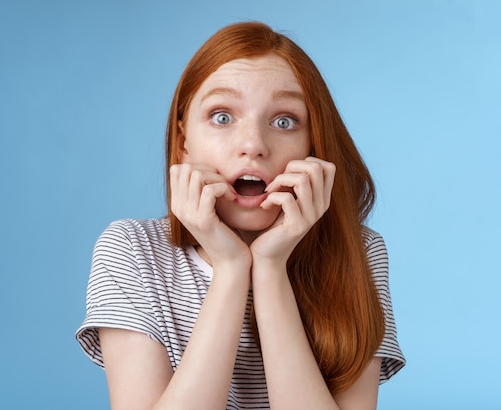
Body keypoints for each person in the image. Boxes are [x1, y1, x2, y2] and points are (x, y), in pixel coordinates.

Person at [76, 21, 405, 410]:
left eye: (284, 121)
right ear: (184, 144)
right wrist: (231, 268)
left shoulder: (359, 253)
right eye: (222, 117)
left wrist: (269, 267)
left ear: (313, 146)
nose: (253, 145)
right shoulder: (131, 251)